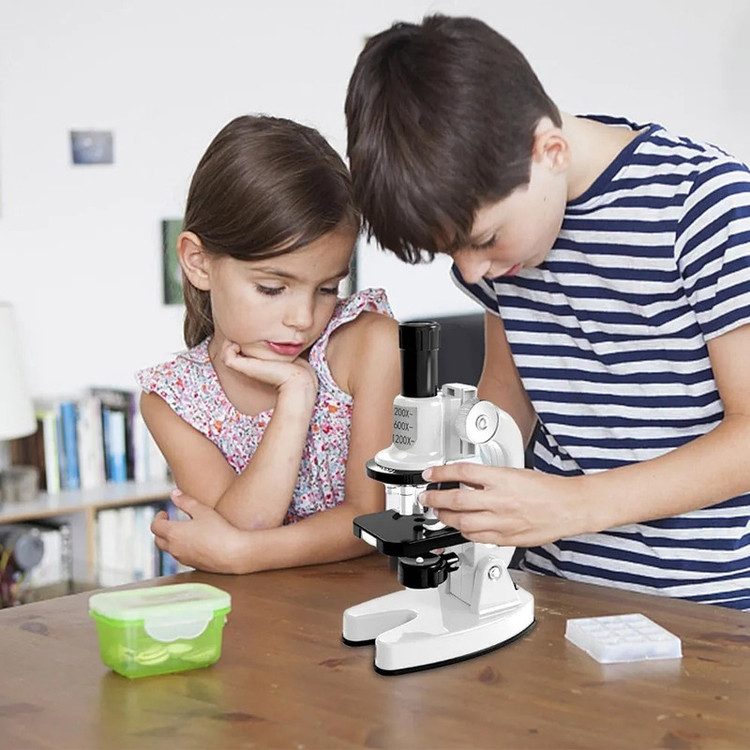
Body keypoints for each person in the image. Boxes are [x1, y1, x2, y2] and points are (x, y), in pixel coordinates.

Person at [344, 15, 750, 609]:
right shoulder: (510, 253)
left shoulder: (707, 207)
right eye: (452, 253)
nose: (471, 271)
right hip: (555, 591)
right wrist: (451, 478)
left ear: (550, 151)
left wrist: (573, 505)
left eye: (485, 239)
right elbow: (508, 398)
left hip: (709, 607)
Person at [136, 115, 400, 574]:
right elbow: (241, 527)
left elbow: (372, 517)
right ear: (198, 263)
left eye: (326, 288)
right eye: (272, 288)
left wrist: (242, 553)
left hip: (376, 603)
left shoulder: (370, 344)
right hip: (257, 612)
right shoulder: (174, 400)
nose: (303, 319)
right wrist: (295, 397)